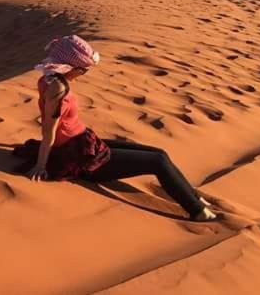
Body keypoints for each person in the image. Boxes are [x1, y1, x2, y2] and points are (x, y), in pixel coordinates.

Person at [13, 35, 217, 222]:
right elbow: (49, 129)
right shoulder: (57, 88)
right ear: (68, 67)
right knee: (158, 161)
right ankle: (197, 211)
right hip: (79, 156)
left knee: (159, 153)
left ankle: (192, 194)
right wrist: (41, 164)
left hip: (84, 140)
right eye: (83, 69)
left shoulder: (49, 79)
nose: (84, 74)